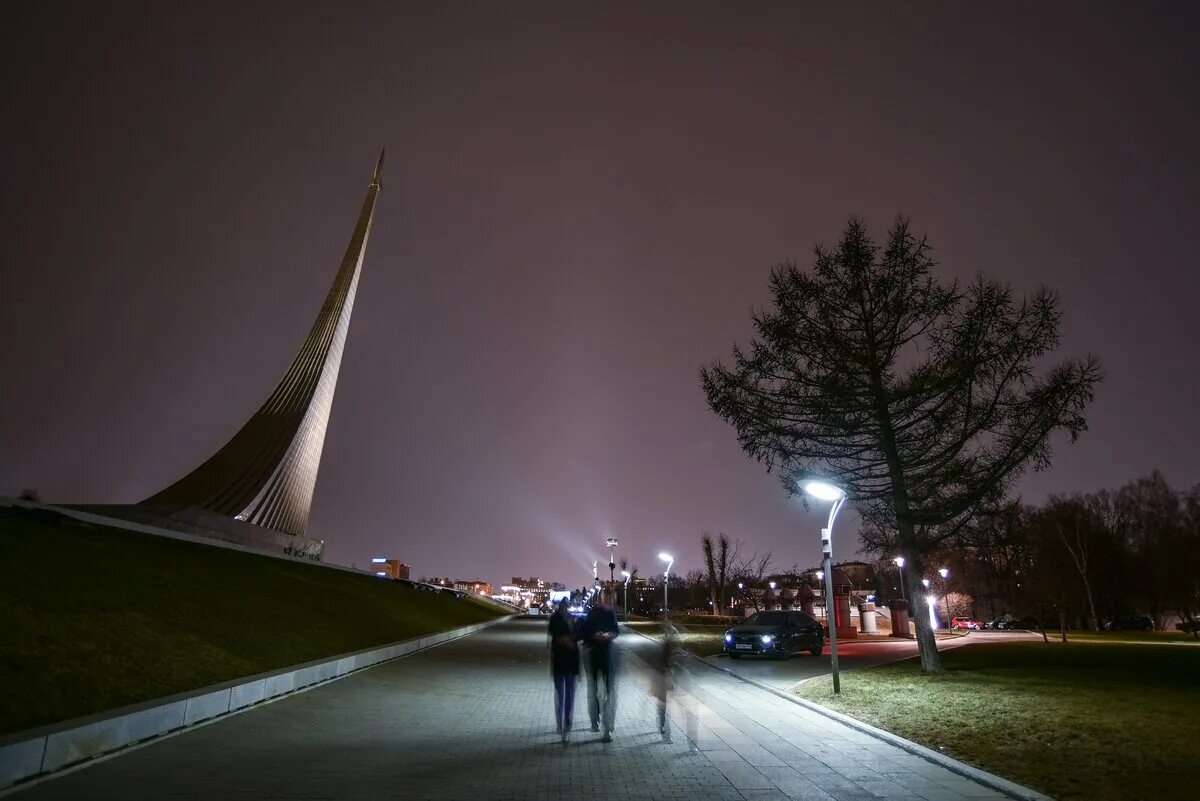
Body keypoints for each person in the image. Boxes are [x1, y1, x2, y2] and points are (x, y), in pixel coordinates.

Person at [579, 589, 620, 742]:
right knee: (594, 689)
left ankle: (607, 728)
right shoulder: (592, 613)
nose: (610, 603)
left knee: (610, 693)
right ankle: (594, 719)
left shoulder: (611, 614)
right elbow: (584, 631)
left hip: (607, 656)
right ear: (602, 599)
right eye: (608, 600)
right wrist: (594, 635)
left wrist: (610, 635)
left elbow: (616, 630)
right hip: (593, 655)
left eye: (612, 600)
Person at [548, 599, 579, 746]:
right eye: (563, 607)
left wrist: (570, 636)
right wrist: (566, 639)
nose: (565, 609)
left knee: (569, 696)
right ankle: (560, 722)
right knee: (561, 694)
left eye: (567, 607)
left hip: (571, 663)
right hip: (560, 663)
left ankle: (566, 725)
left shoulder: (573, 619)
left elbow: (577, 636)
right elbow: (555, 638)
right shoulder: (554, 619)